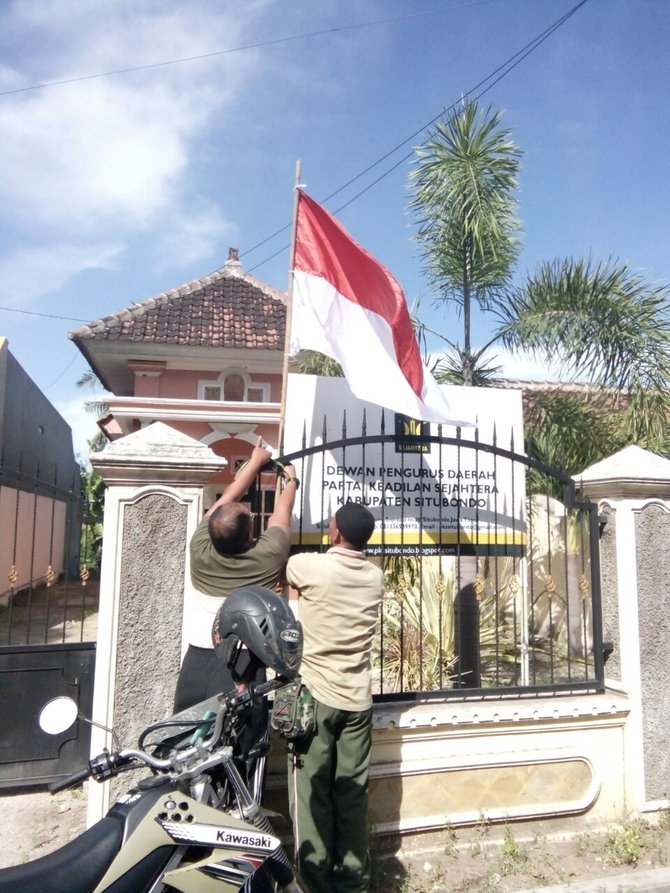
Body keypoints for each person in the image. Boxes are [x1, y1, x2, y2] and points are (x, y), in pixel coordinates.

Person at [285, 503, 384, 893]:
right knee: (351, 793)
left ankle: (314, 883)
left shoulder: (312, 566)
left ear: (337, 533)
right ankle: (354, 882)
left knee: (312, 794)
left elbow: (285, 571)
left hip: (317, 695)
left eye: (330, 525)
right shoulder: (375, 577)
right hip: (358, 699)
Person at [173, 438, 299, 712]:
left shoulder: (199, 549)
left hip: (197, 658)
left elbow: (227, 498)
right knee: (241, 745)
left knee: (184, 738)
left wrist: (254, 461)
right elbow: (282, 513)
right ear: (250, 535)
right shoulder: (267, 557)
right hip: (244, 663)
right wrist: (291, 480)